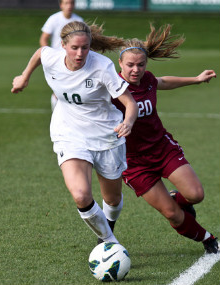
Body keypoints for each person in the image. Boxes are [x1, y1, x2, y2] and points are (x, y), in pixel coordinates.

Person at [11, 21, 138, 244]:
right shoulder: (53, 58)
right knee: (81, 195)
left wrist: (128, 122)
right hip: (69, 133)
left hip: (107, 137)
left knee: (113, 199)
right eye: (74, 48)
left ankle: (108, 230)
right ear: (63, 45)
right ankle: (109, 243)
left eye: (85, 48)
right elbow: (41, 53)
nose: (80, 54)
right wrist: (24, 76)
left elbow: (130, 103)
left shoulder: (102, 66)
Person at [111, 24, 218, 254]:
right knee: (172, 214)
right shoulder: (112, 87)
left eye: (141, 64)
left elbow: (163, 82)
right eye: (130, 65)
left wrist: (196, 79)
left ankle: (175, 198)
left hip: (162, 148)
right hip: (133, 162)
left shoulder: (148, 79)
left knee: (195, 195)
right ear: (120, 63)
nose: (136, 70)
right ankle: (209, 239)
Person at [39, 0, 83, 111]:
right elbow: (44, 38)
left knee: (73, 88)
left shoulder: (78, 20)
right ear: (61, 5)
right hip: (58, 60)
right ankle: (56, 113)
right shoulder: (54, 19)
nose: (69, 6)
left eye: (72, 3)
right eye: (66, 3)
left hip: (74, 61)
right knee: (59, 89)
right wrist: (49, 54)